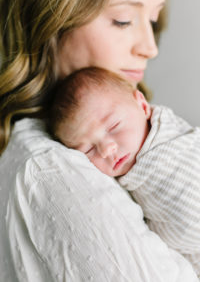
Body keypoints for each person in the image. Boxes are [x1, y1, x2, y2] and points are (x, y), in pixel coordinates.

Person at [0, 0, 198, 281]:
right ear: (52, 21)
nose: (150, 47)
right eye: (123, 20)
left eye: (153, 20)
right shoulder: (53, 170)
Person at [48, 66, 200, 277]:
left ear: (142, 105)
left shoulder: (173, 143)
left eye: (114, 126)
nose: (106, 149)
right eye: (88, 149)